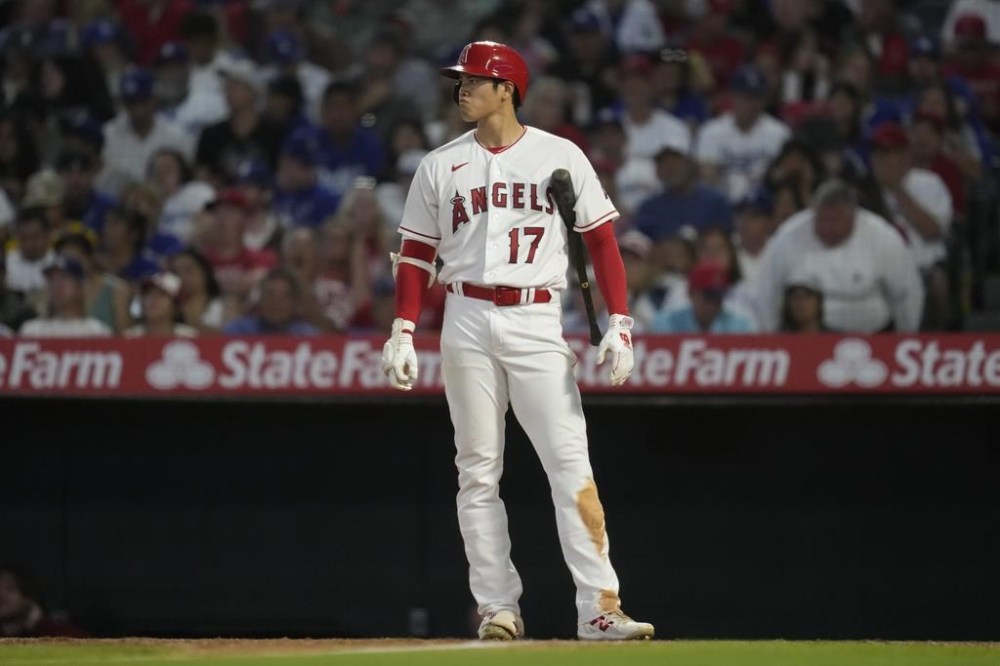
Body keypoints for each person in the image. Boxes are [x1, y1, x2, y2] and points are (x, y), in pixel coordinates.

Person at [379, 41, 654, 642]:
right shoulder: (439, 164)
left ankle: (599, 608)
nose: (462, 91)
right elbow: (417, 255)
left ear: (507, 88)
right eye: (460, 82)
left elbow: (602, 242)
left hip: (535, 317)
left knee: (569, 464)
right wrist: (402, 327)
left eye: (474, 81)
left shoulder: (560, 155)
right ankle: (496, 608)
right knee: (477, 471)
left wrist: (621, 322)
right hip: (465, 316)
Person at [751, 178, 924, 333]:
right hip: (810, 340)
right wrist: (770, 339)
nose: (827, 227)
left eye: (834, 221)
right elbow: (767, 291)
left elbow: (907, 293)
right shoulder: (789, 235)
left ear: (853, 216)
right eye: (822, 220)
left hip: (872, 335)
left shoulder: (883, 238)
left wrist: (906, 336)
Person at [649, 259, 757, 333]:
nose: (713, 304)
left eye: (718, 297)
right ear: (691, 293)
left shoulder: (739, 326)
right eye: (709, 296)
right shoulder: (666, 324)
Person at [19, 255, 113, 338]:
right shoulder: (32, 330)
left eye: (65, 277)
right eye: (52, 279)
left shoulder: (98, 332)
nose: (57, 284)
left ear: (79, 286)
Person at [222, 266, 320, 336]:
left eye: (284, 297)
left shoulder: (307, 335)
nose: (276, 302)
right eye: (270, 294)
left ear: (294, 303)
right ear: (260, 299)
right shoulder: (239, 330)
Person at [0, 565, 87, 637]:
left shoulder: (52, 631)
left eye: (9, 589)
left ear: (29, 598)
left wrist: (39, 623)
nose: (1, 595)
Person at [124, 271, 198, 337]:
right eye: (147, 294)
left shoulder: (190, 337)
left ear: (176, 306)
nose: (152, 299)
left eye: (161, 295)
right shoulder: (129, 337)